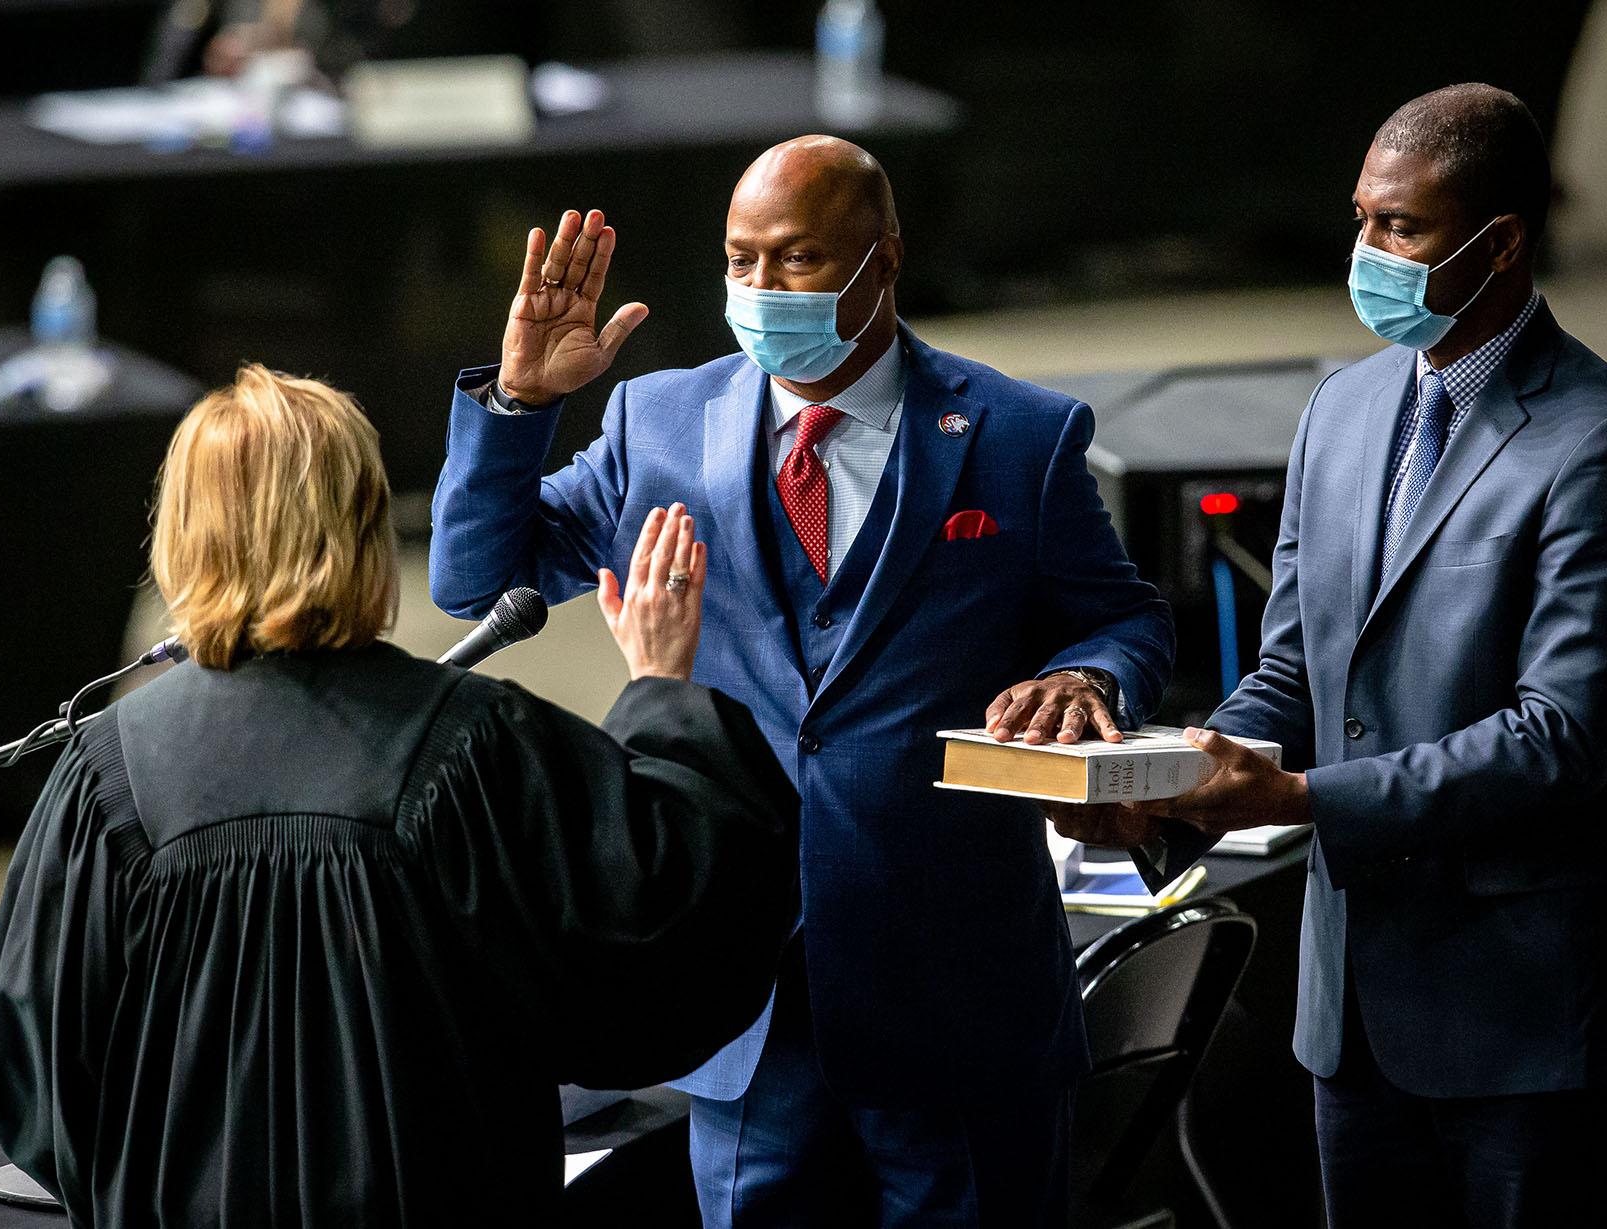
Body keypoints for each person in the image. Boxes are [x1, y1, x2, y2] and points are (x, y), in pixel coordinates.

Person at [429, 136, 1175, 1226]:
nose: (762, 288)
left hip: (958, 1006)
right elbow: (472, 578)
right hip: (747, 1010)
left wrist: (1085, 671)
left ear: (884, 259)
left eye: (798, 258)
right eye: (741, 261)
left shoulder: (1021, 434)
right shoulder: (659, 423)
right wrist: (519, 404)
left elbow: (1124, 616)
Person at [1051, 85, 1607, 1227]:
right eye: (1360, 219)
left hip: (1527, 1021)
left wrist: (1299, 796)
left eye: (1402, 228)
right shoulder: (1342, 410)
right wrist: (1162, 787)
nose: (1367, 252)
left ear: (1499, 244)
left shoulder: (1606, 446)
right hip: (1350, 1013)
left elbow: (1562, 739)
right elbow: (1295, 672)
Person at [0, 364, 799, 1226]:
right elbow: (661, 957)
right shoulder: (478, 742)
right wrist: (662, 691)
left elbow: (40, 1086)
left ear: (181, 536)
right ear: (363, 528)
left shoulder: (106, 772)